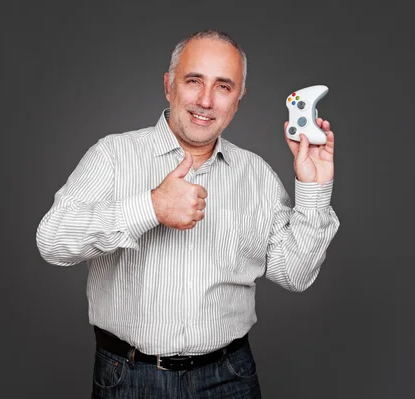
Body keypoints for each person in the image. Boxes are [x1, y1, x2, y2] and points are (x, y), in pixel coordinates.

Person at [36, 29, 340, 399]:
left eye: (223, 87)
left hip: (229, 377)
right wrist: (150, 207)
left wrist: (313, 190)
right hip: (130, 378)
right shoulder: (113, 156)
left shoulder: (256, 174)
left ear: (238, 100)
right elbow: (52, 241)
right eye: (193, 80)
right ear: (169, 85)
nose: (206, 100)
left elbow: (296, 273)